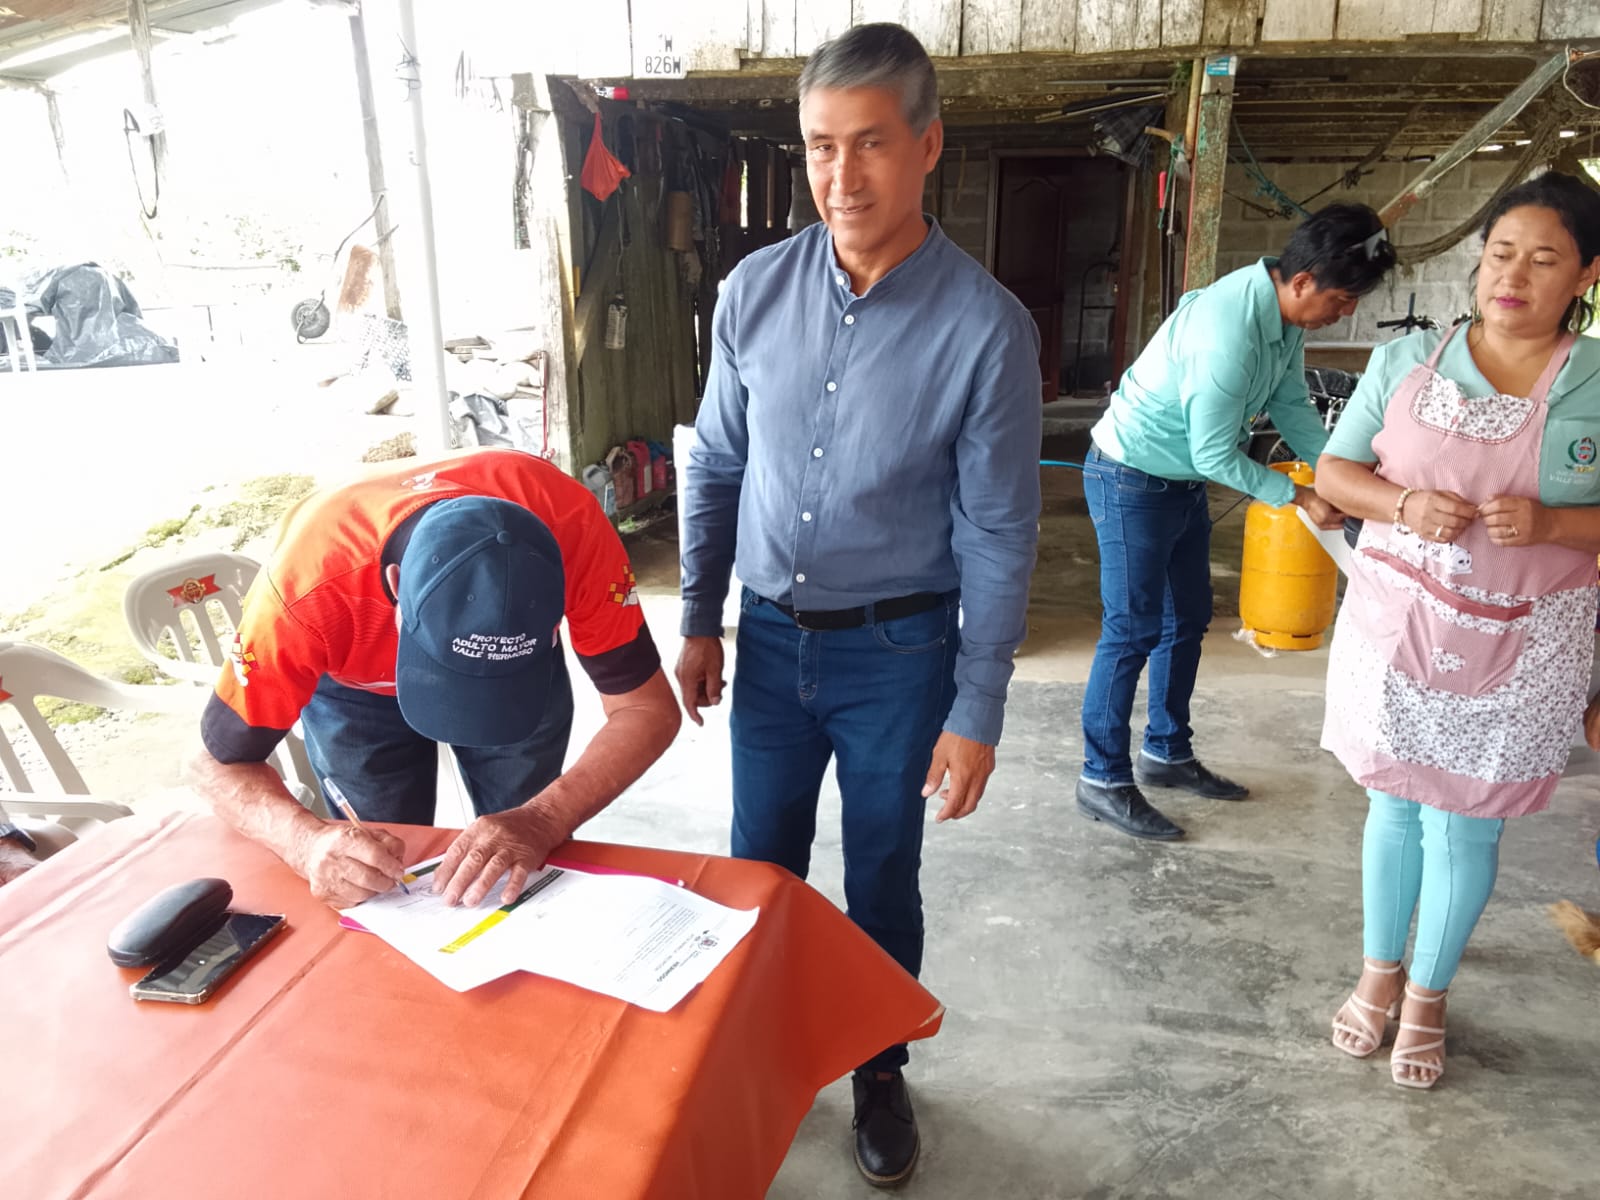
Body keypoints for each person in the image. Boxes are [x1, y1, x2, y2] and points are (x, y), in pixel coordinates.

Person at [675, 22, 1041, 1188]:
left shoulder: (985, 328)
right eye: (821, 146)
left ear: (926, 145)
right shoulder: (753, 291)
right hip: (769, 643)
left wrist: (977, 706)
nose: (842, 175)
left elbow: (998, 529)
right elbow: (716, 462)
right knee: (759, 867)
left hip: (898, 652)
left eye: (871, 143)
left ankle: (877, 1070)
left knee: (882, 871)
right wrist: (698, 615)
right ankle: (761, 1052)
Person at [1317, 170, 1600, 1090]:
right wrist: (1401, 502)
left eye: (1544, 259)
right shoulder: (1409, 362)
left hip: (1528, 645)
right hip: (1399, 628)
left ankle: (1428, 996)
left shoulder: (1596, 381)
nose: (1512, 275)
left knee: (1466, 827)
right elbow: (1336, 473)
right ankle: (1378, 972)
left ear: (1586, 275)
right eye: (1500, 253)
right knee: (1394, 806)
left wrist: (1556, 523)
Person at [186, 447, 681, 910]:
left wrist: (544, 817)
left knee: (528, 859)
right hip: (355, 685)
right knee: (370, 865)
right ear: (396, 584)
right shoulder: (305, 591)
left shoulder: (573, 527)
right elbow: (211, 766)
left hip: (526, 671)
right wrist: (304, 842)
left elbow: (647, 709)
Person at [1077, 205, 1397, 840]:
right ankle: (1102, 778)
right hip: (1131, 477)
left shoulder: (1283, 319)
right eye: (1341, 299)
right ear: (1302, 281)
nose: (1345, 313)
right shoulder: (1227, 332)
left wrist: (1341, 475)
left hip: (1178, 480)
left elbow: (1291, 405)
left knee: (1187, 619)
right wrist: (1301, 497)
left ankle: (1166, 752)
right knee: (1132, 629)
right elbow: (1214, 454)